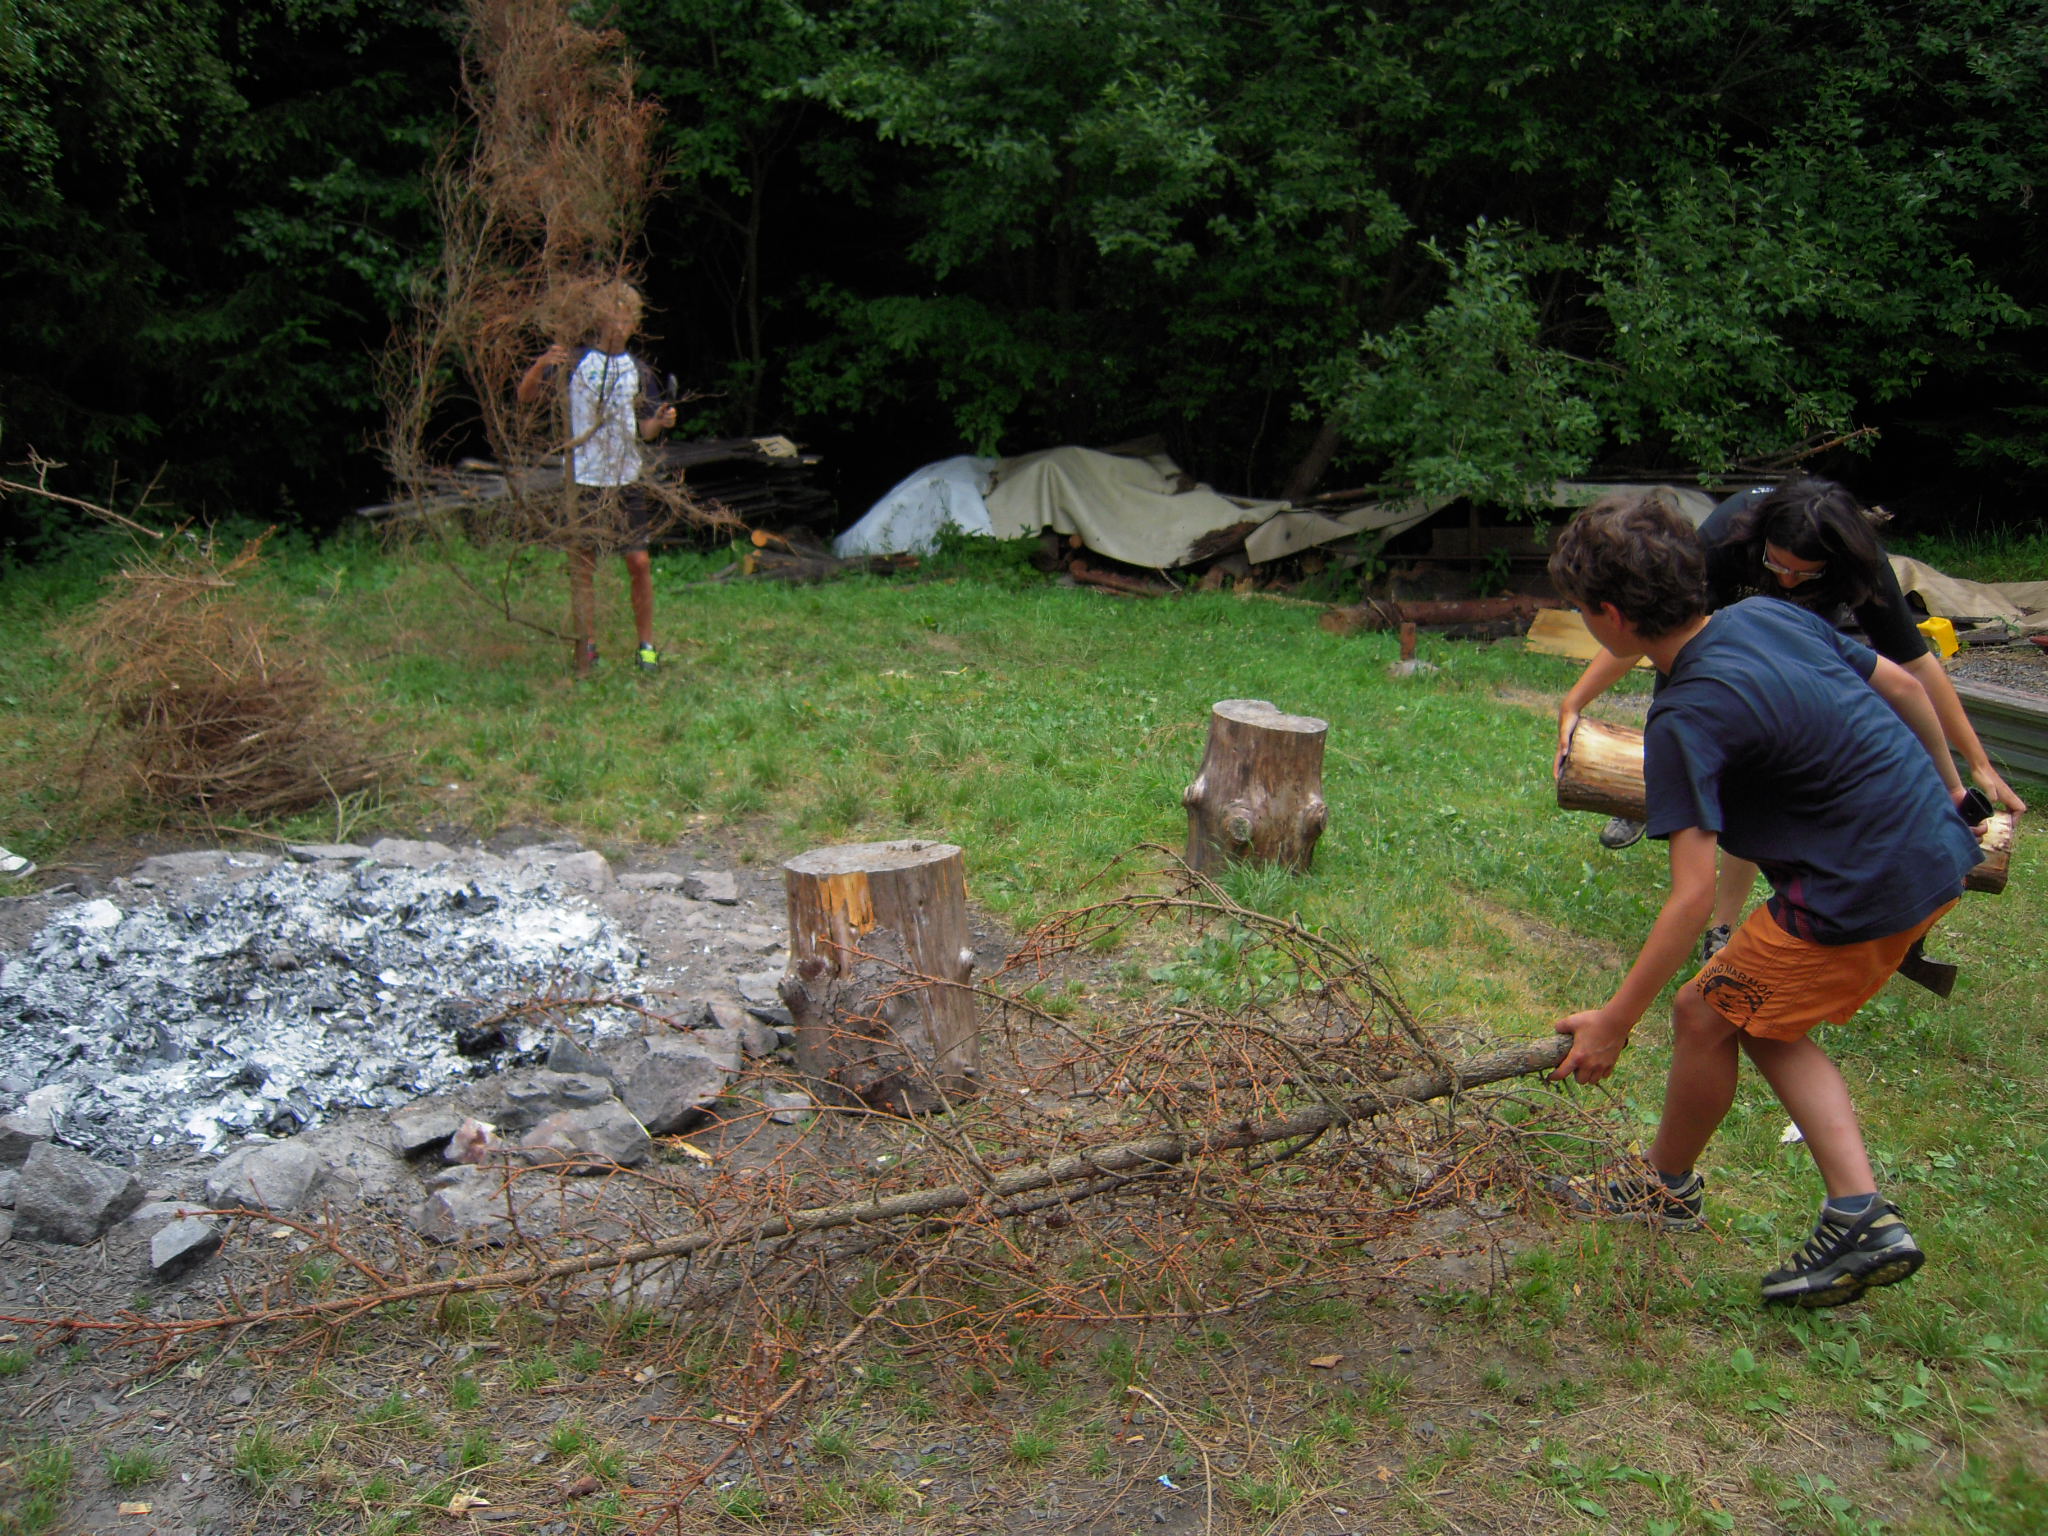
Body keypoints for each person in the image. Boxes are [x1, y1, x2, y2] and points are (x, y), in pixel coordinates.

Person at [1547, 490, 1985, 1307]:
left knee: (1709, 1012)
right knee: (1742, 1014)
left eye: (1580, 609)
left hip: (1860, 886)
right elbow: (1905, 687)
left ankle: (1820, 1208)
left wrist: (1614, 1022)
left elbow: (1691, 901)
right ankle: (1691, 1187)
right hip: (1933, 852)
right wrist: (1954, 792)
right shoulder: (1766, 616)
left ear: (1610, 618)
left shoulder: (1681, 718)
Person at [1557, 478, 2025, 960]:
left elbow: (1913, 669)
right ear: (1759, 540)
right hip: (1702, 658)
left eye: (1805, 574)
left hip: (1779, 657)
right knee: (1684, 748)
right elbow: (1643, 624)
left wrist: (1976, 763)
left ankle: (1723, 925)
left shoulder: (1857, 563)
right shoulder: (1726, 536)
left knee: (1754, 783)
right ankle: (1653, 798)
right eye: (1776, 565)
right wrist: (1575, 702)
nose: (1786, 581)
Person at [517, 280, 677, 674]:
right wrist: (540, 364)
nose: (618, 326)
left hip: (626, 478)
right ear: (599, 319)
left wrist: (661, 420)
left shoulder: (639, 371)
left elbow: (645, 430)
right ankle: (586, 646)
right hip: (584, 479)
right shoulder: (574, 363)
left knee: (639, 561)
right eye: (612, 318)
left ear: (635, 323)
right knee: (583, 564)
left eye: (626, 319)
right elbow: (526, 396)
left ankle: (646, 647)